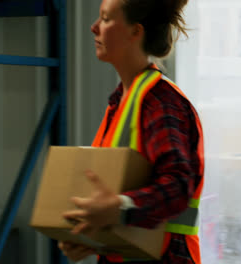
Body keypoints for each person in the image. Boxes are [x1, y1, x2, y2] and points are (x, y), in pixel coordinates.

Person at [58, 0, 204, 263]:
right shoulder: (120, 104)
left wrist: (118, 208)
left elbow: (179, 187)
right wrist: (91, 240)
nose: (93, 28)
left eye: (105, 18)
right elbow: (125, 196)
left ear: (135, 32)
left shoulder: (160, 103)